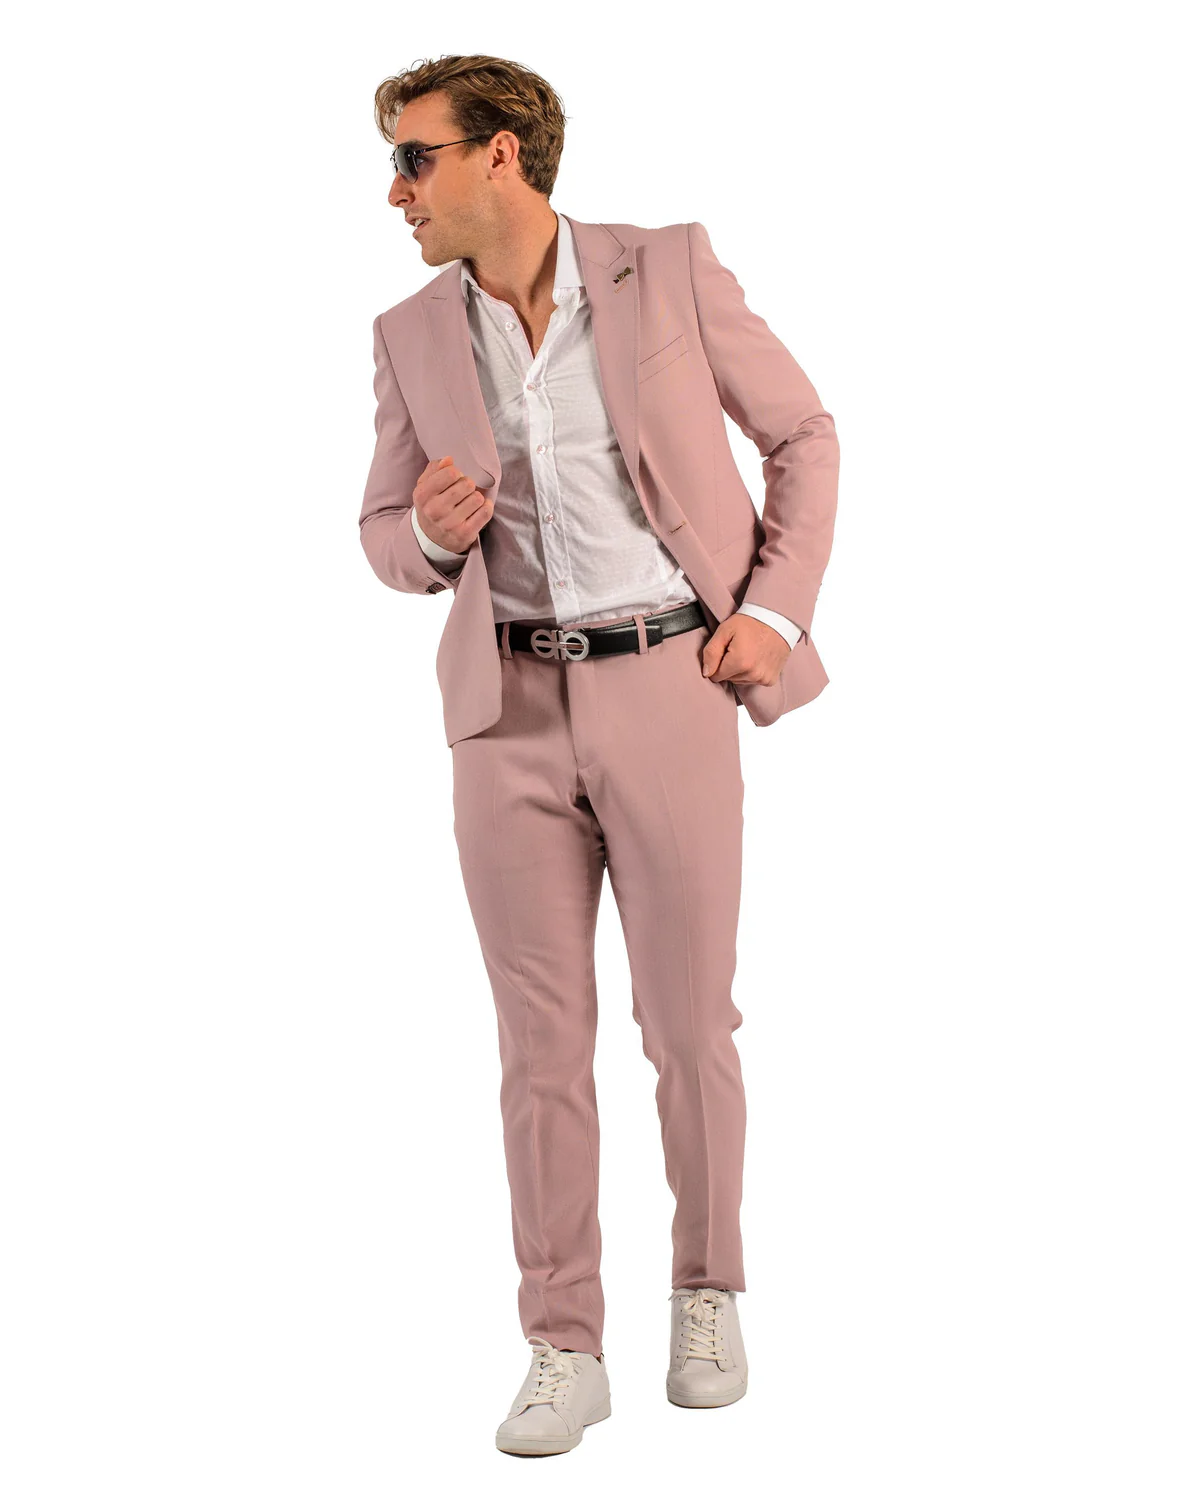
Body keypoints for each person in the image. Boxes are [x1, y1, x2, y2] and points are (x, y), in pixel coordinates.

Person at [358, 54, 839, 1457]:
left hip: (669, 683)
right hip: (503, 714)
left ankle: (707, 1294)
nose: (397, 192)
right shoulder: (408, 332)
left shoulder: (665, 269)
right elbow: (380, 530)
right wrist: (429, 534)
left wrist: (771, 612)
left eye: (416, 159)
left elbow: (805, 433)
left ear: (501, 154)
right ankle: (564, 1342)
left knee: (688, 1026)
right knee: (538, 1049)